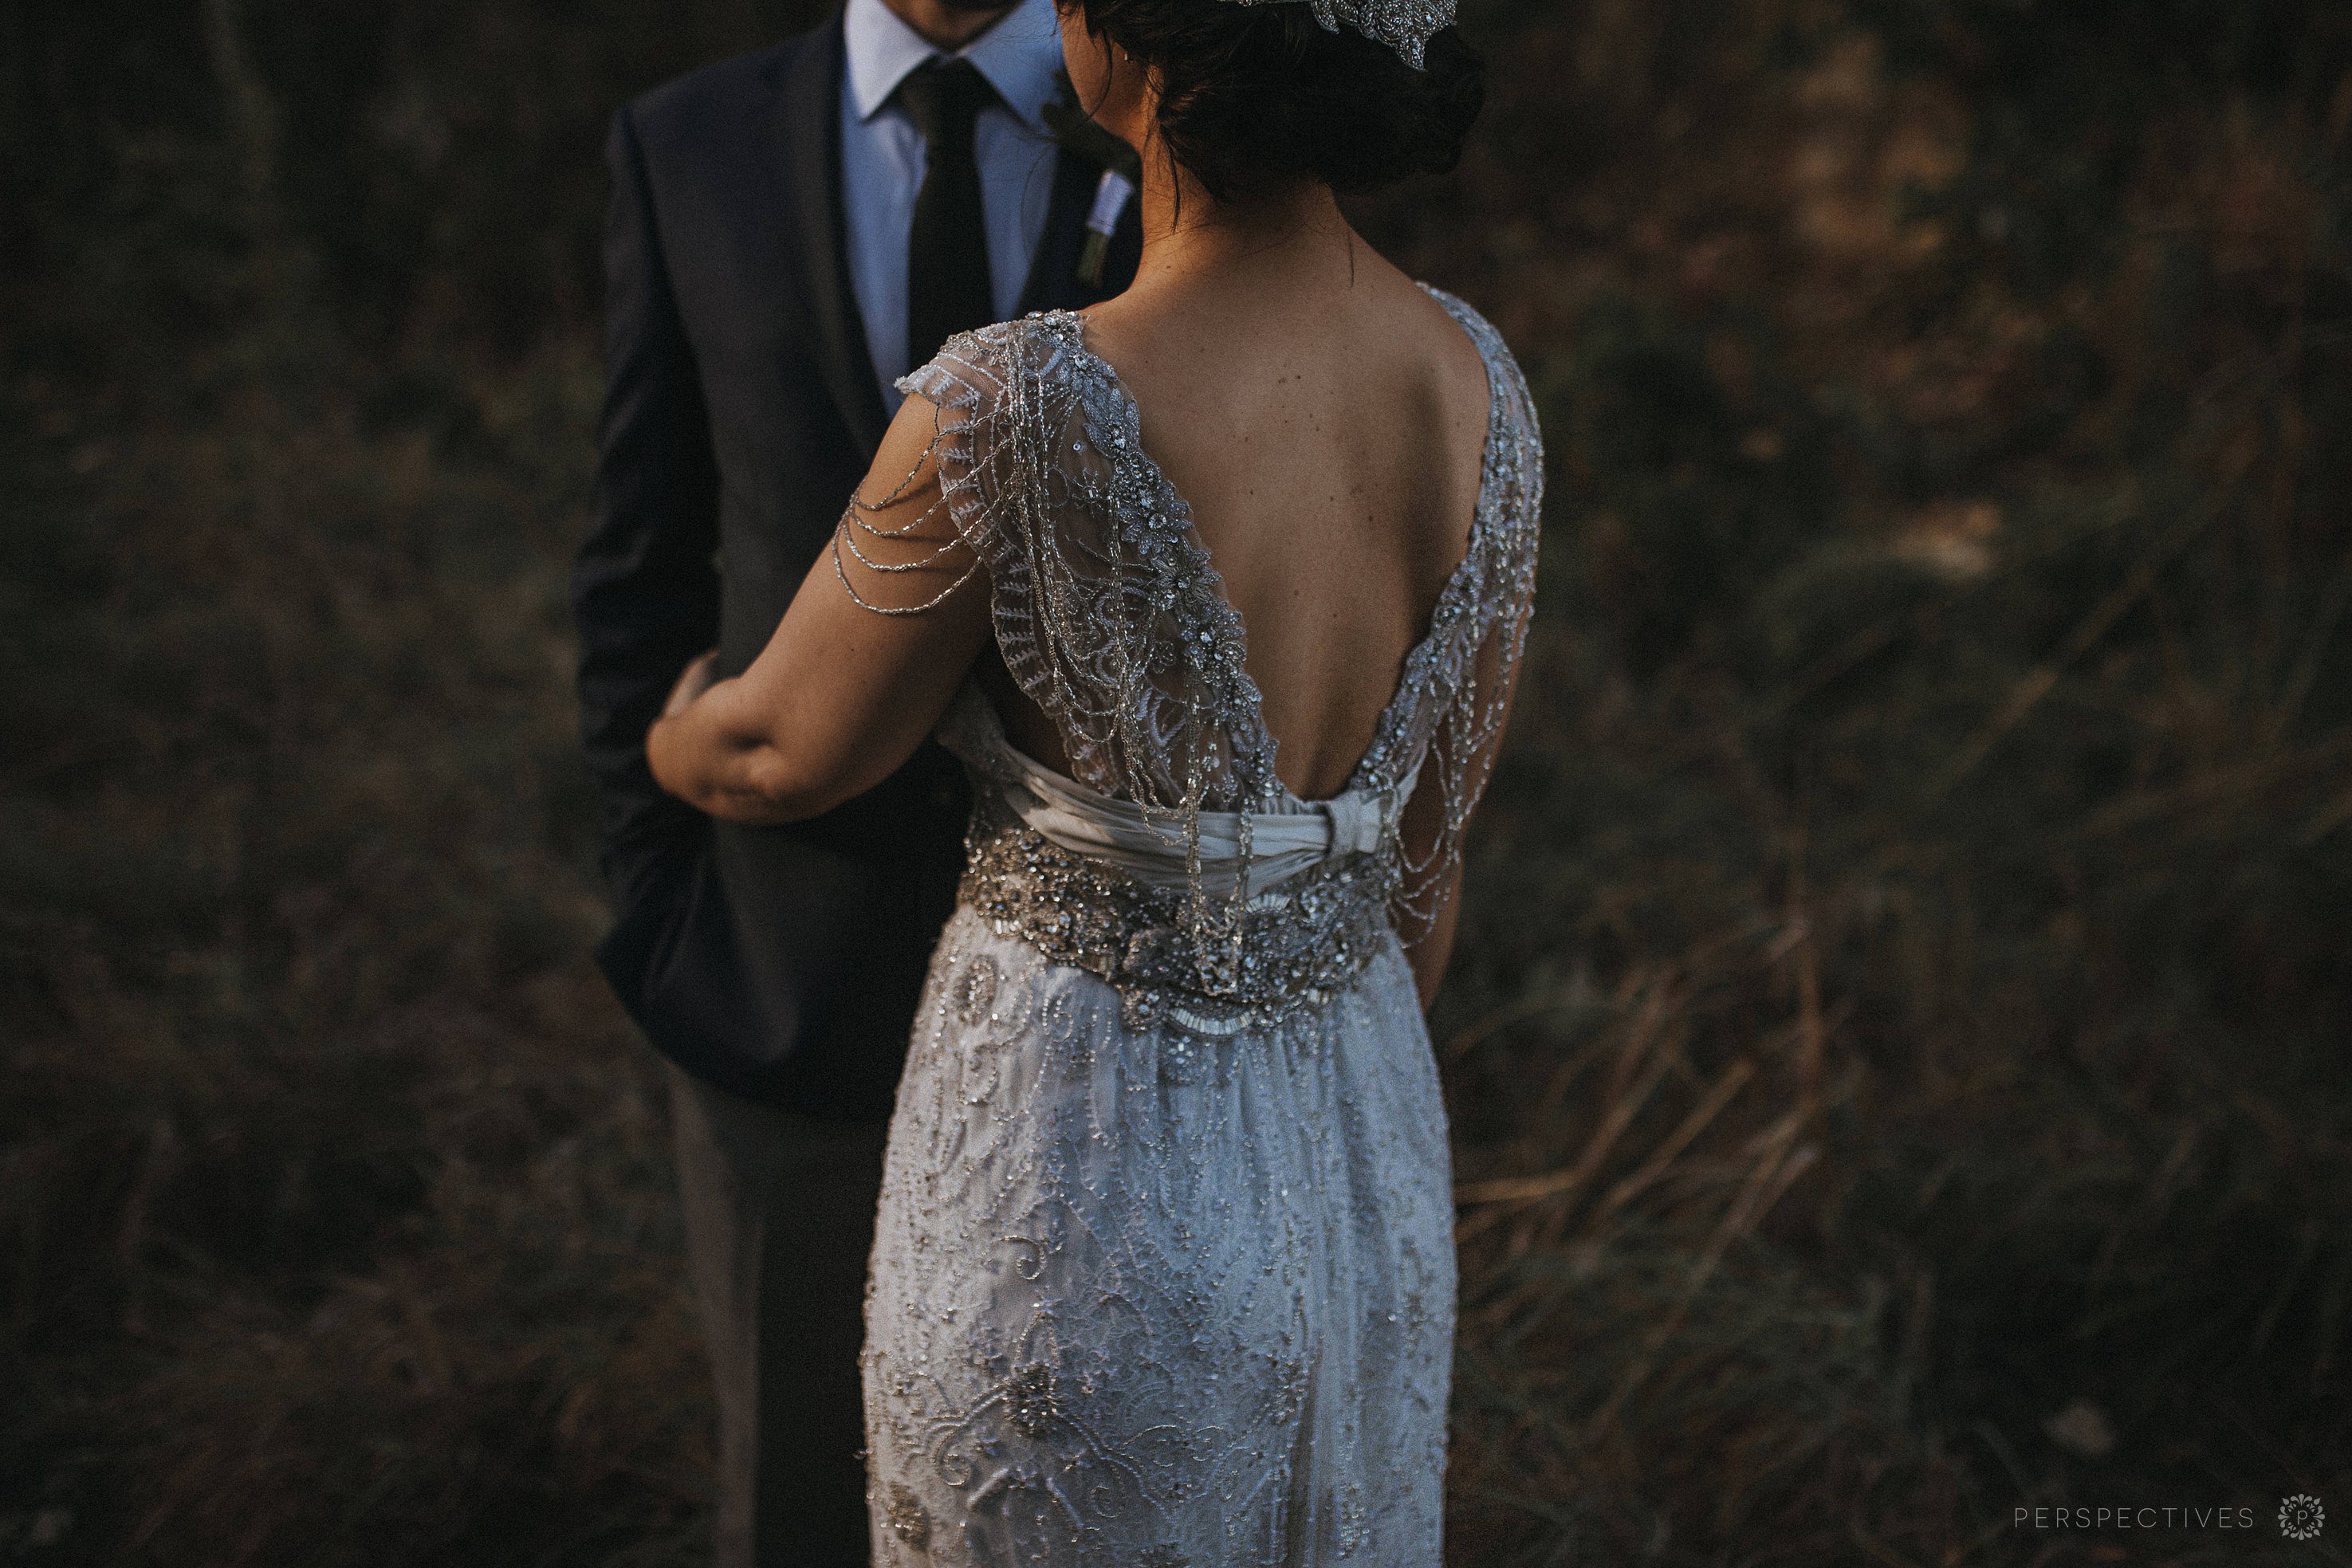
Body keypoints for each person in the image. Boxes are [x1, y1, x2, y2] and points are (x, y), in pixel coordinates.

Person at [645, 0, 1542, 1554]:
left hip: (1082, 1180)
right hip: (1360, 1156)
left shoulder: (1011, 405)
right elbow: (1422, 871)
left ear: (1143, 48)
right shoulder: (1474, 385)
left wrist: (677, 728)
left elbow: (789, 747)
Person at [570, 0, 1141, 1560]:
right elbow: (643, 554)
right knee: (804, 1511)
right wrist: (665, 895)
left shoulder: (1174, 118)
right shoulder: (686, 142)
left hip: (1111, 1022)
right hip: (778, 980)